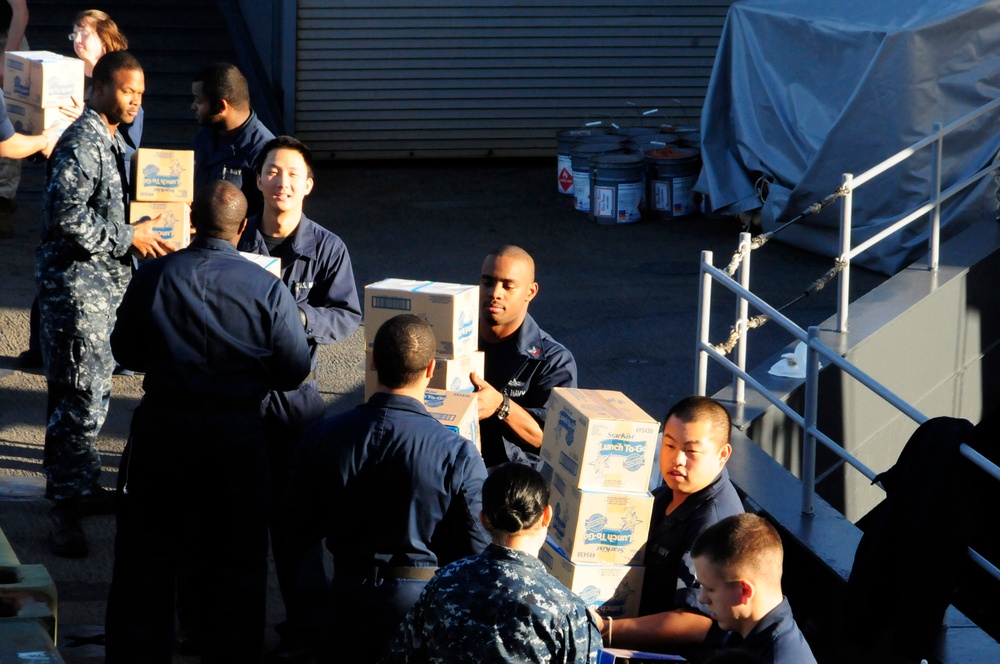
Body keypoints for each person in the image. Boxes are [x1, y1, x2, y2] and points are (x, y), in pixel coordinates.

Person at [104, 180, 311, 664]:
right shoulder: (267, 288)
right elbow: (294, 370)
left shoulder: (154, 276)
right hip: (237, 440)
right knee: (237, 564)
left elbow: (124, 350)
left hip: (162, 434)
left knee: (146, 561)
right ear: (242, 228)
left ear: (192, 222)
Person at [217, 134, 358, 661]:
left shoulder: (328, 249)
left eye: (293, 174)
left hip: (295, 405)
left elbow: (347, 316)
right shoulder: (234, 236)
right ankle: (226, 629)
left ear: (309, 185)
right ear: (257, 180)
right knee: (232, 523)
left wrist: (297, 317)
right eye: (273, 172)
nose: (282, 183)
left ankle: (305, 630)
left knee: (297, 524)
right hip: (233, 401)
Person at [286, 313, 489, 664]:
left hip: (346, 599)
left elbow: (296, 526)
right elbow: (476, 547)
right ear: (430, 370)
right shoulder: (457, 452)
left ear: (373, 361)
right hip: (421, 603)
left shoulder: (322, 436)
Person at [35, 50, 173, 558]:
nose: (134, 100)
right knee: (76, 403)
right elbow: (65, 218)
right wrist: (128, 237)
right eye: (125, 90)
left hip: (98, 295)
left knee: (88, 399)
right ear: (97, 89)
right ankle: (65, 511)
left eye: (140, 93)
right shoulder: (82, 144)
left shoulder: (108, 139)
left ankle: (84, 486)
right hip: (76, 296)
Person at [380, 461, 602, 663]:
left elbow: (398, 657)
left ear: (483, 519)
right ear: (546, 516)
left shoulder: (443, 583)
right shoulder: (567, 610)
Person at [19, 8, 139, 367]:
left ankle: (111, 353)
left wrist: (87, 123)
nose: (75, 41)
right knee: (56, 262)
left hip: (103, 204)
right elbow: (45, 144)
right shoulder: (65, 82)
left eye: (83, 33)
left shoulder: (123, 82)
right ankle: (43, 347)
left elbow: (128, 148)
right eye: (72, 34)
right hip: (65, 188)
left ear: (105, 37)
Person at [593, 396, 744, 659]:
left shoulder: (714, 523)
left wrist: (608, 629)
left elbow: (697, 622)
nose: (677, 460)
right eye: (670, 445)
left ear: (723, 455)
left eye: (691, 451)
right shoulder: (666, 492)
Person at [472, 244, 577, 470]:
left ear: (530, 292)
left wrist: (501, 405)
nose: (495, 293)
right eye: (487, 282)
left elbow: (552, 439)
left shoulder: (554, 361)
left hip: (510, 490)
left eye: (508, 286)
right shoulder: (455, 341)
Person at [691, 513, 817, 664]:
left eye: (710, 589)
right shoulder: (751, 635)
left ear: (745, 591)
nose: (702, 598)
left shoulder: (772, 658)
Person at [191, 61, 275, 217]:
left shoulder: (265, 151)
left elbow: (266, 217)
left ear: (221, 106)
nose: (193, 106)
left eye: (198, 100)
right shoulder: (205, 135)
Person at [0, 0, 31, 238]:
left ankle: (3, 204)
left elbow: (20, 10)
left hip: (6, 42)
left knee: (8, 121)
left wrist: (6, 57)